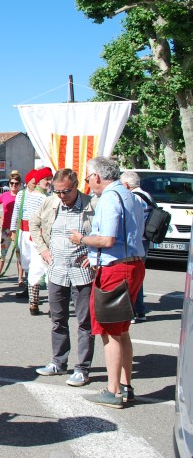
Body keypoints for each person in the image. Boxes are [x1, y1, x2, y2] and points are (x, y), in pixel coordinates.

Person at [69, 156, 146, 409]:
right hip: (132, 264)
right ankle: (125, 385)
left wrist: (82, 240)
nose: (88, 182)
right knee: (122, 330)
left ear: (97, 177)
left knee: (110, 331)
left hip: (116, 268)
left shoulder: (110, 198)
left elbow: (107, 239)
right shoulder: (129, 195)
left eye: (88, 177)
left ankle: (113, 391)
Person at [31, 168, 96, 386]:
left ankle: (82, 368)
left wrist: (95, 255)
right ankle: (59, 361)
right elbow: (34, 222)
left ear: (76, 186)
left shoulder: (92, 205)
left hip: (82, 273)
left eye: (65, 192)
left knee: (85, 322)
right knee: (57, 319)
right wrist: (42, 249)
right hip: (57, 271)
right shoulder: (51, 203)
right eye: (57, 191)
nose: (61, 196)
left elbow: (106, 232)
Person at [12, 168, 53, 314]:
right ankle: (42, 304)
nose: (49, 182)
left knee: (36, 267)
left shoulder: (46, 196)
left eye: (50, 178)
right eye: (46, 179)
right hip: (39, 237)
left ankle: (34, 304)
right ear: (38, 181)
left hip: (35, 235)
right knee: (46, 268)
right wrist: (13, 230)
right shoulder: (44, 198)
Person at [120, 170, 151, 323]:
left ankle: (131, 311)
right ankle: (140, 311)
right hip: (145, 240)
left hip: (136, 241)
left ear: (126, 184)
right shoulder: (146, 196)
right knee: (138, 275)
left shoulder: (134, 198)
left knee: (131, 276)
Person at [0, 173, 23, 284]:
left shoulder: (22, 196)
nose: (14, 186)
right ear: (9, 184)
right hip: (6, 229)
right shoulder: (4, 196)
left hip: (18, 230)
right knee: (1, 253)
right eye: (11, 183)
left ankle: (20, 278)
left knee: (20, 255)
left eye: (16, 183)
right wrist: (0, 220)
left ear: (20, 184)